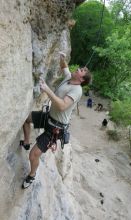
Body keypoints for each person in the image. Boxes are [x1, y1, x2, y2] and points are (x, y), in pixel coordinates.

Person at [21, 52, 91, 189]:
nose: (79, 69)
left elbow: (62, 106)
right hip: (49, 117)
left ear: (82, 79)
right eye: (81, 68)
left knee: (33, 156)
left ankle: (32, 175)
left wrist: (47, 90)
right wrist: (62, 59)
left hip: (55, 128)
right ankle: (27, 141)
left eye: (81, 70)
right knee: (26, 119)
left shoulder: (77, 90)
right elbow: (64, 67)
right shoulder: (69, 77)